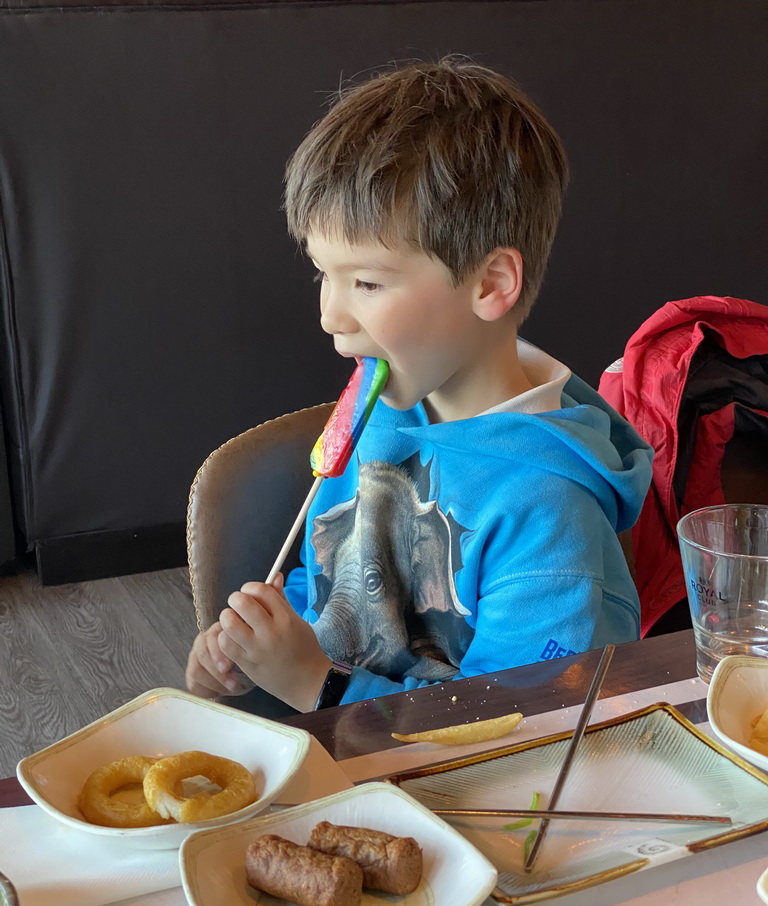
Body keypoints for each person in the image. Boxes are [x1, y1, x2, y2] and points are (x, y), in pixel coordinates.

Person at [185, 57, 653, 713]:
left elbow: (522, 731)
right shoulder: (386, 413)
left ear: (490, 284)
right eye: (325, 274)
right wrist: (255, 642)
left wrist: (318, 684)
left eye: (367, 283)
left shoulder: (550, 518)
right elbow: (330, 590)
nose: (330, 316)